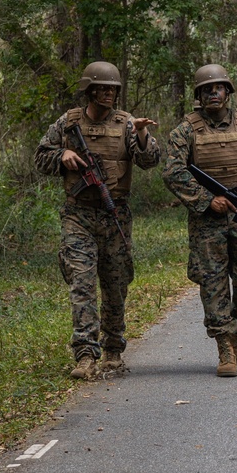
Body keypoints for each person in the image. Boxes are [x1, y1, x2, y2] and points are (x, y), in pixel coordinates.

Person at [34, 61, 161, 380]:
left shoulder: (128, 123)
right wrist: (60, 156)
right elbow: (40, 157)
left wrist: (143, 134)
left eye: (112, 89)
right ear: (89, 90)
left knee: (116, 283)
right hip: (78, 214)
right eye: (102, 88)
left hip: (115, 213)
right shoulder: (68, 122)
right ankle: (86, 355)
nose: (108, 93)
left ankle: (113, 350)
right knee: (82, 282)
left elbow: (149, 161)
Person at [162, 64, 237, 377]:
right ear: (199, 95)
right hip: (207, 222)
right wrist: (206, 200)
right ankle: (225, 346)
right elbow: (173, 172)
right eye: (206, 89)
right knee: (213, 282)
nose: (213, 93)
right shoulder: (185, 131)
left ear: (228, 92)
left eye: (218, 88)